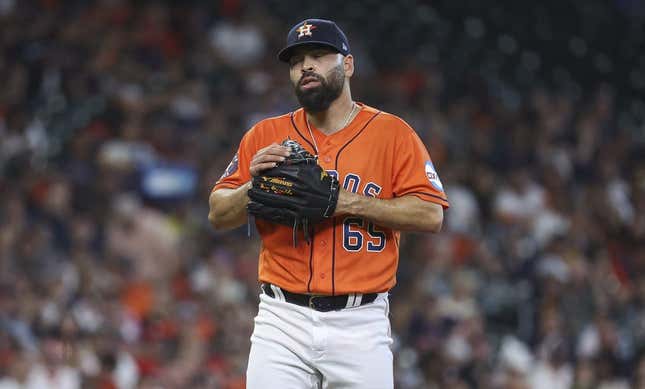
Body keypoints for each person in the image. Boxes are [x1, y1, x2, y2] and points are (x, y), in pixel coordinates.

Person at [208, 18, 449, 388]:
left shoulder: (393, 134)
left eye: (318, 56)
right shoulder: (265, 135)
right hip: (281, 319)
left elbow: (431, 214)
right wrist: (253, 188)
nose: (305, 66)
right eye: (296, 61)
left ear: (348, 65)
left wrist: (342, 201)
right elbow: (218, 213)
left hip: (360, 323)